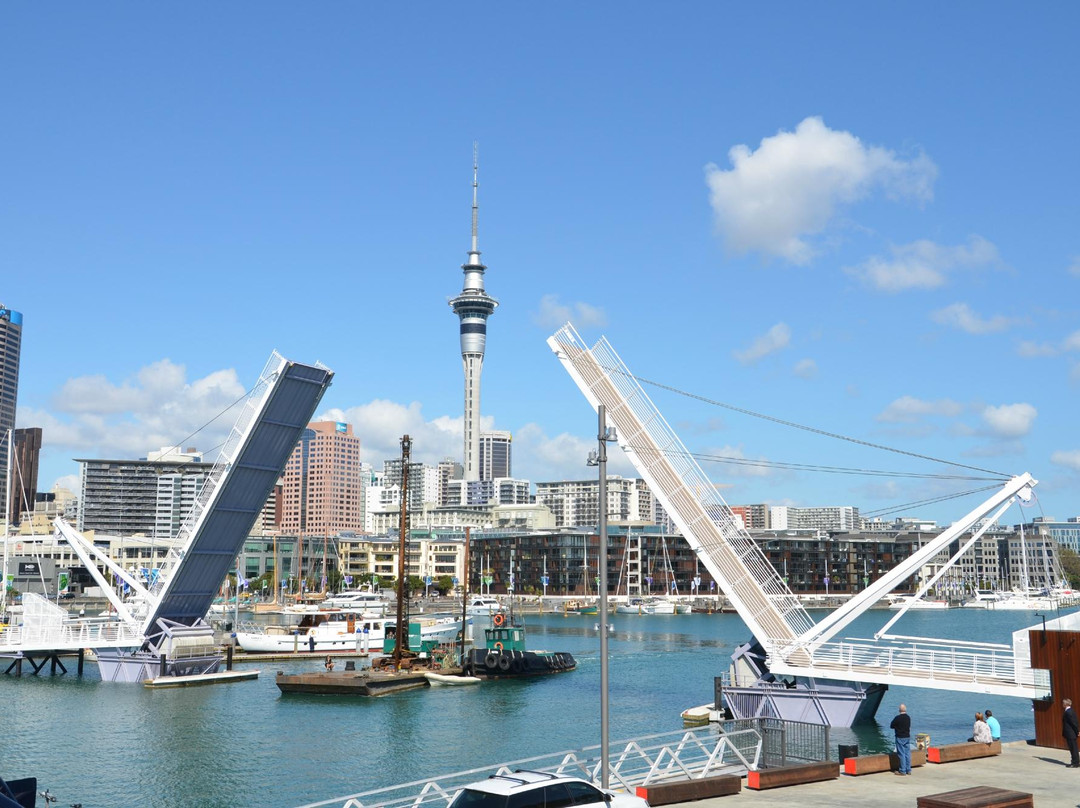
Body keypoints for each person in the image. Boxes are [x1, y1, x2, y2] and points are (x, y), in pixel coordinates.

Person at [890, 704, 912, 775]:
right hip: (907, 737)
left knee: (901, 754)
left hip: (900, 737)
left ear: (899, 710)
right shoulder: (908, 717)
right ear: (905, 709)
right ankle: (908, 770)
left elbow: (891, 726)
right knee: (907, 753)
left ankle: (902, 770)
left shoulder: (897, 718)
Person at [1063, 698, 1080, 767]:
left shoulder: (1068, 712)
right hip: (1072, 733)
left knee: (1073, 748)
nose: (1062, 704)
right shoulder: (1071, 710)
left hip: (1070, 733)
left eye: (1063, 703)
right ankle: (1076, 762)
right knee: (1074, 748)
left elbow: (1073, 723)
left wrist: (1077, 731)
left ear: (1065, 704)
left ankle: (1075, 763)